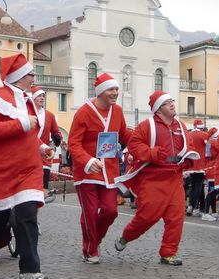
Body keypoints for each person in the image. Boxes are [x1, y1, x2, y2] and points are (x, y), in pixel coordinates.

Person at [0, 53, 54, 279]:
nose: (33, 78)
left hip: (27, 169)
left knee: (27, 215)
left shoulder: (27, 100)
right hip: (1, 170)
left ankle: (29, 272)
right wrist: (21, 123)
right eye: (30, 74)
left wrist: (41, 147)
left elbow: (26, 134)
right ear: (19, 77)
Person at [114, 90, 199, 265]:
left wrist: (189, 160)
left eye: (172, 101)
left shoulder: (181, 126)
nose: (172, 104)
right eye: (168, 103)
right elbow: (134, 144)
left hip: (175, 178)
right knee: (147, 217)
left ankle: (168, 253)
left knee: (176, 217)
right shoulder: (147, 125)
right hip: (152, 179)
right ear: (158, 109)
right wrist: (151, 153)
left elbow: (189, 146)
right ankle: (126, 236)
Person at [68, 72, 132, 264]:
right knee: (89, 211)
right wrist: (87, 161)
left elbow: (124, 135)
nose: (115, 93)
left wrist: (140, 144)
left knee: (110, 210)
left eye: (116, 89)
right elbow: (73, 143)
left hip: (110, 170)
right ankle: (90, 249)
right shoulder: (83, 112)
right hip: (87, 172)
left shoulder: (118, 111)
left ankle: (94, 239)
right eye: (111, 89)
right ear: (101, 92)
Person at [31, 85, 62, 203]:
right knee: (30, 190)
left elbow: (56, 131)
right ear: (32, 97)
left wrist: (57, 137)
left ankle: (35, 218)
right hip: (28, 155)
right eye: (39, 95)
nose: (42, 98)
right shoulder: (26, 112)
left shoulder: (49, 115)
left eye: (43, 95)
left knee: (42, 191)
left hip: (44, 157)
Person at [185, 119, 209, 217]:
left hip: (191, 165)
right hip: (200, 165)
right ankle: (195, 207)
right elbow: (208, 147)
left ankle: (190, 205)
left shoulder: (189, 134)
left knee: (192, 186)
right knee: (198, 187)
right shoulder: (203, 135)